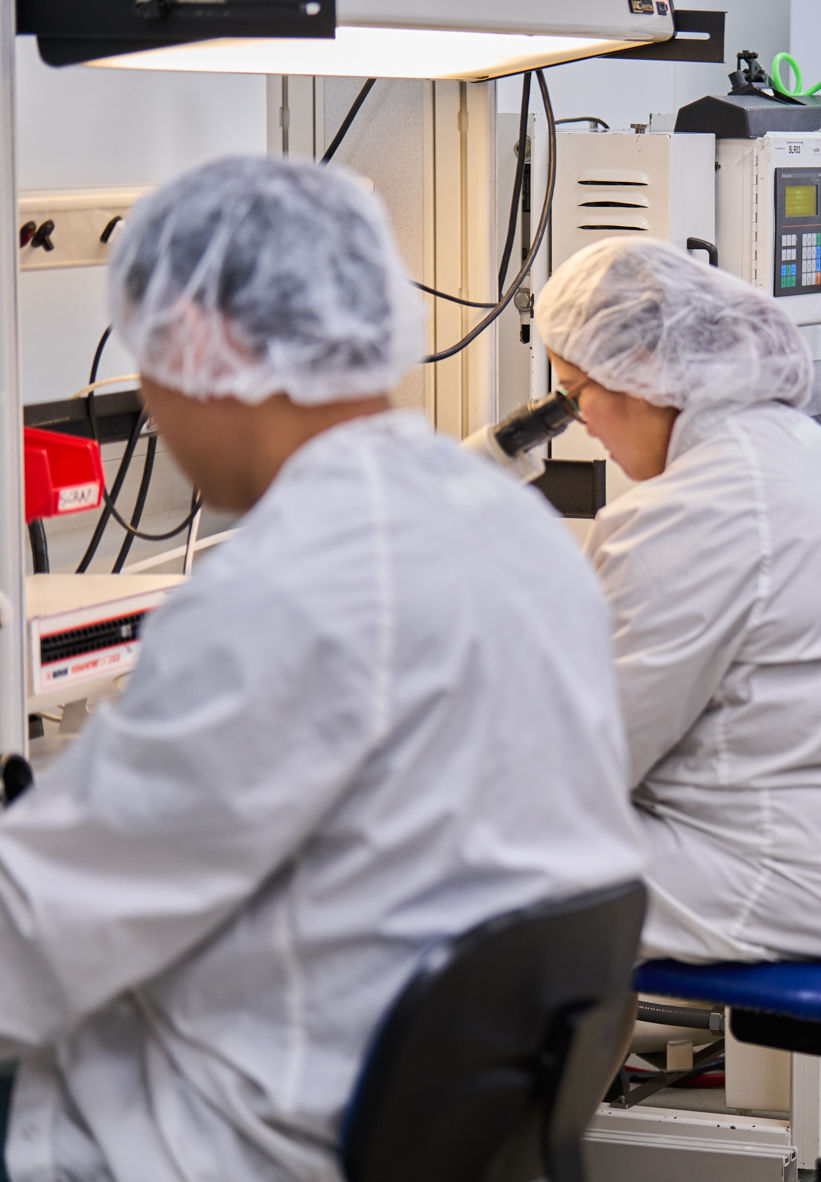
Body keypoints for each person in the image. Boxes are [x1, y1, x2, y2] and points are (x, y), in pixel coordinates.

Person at [0, 156, 644, 1181]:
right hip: (441, 1119)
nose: (153, 409)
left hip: (246, 1136)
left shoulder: (283, 589)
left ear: (200, 346)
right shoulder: (511, 526)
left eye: (147, 362)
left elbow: (35, 936)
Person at [535, 238, 821, 964]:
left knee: (472, 857)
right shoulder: (804, 453)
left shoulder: (688, 510)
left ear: (638, 370)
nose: (580, 423)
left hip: (806, 881)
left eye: (574, 390)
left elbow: (587, 764)